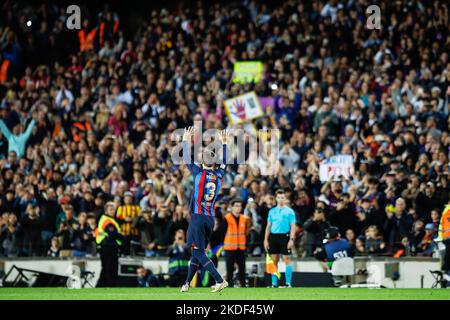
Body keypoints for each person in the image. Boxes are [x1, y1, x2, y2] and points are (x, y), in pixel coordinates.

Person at [180, 127, 229, 293]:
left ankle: (220, 280)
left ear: (202, 162)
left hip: (198, 216)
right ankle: (186, 283)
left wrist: (186, 139)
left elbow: (186, 157)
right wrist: (224, 144)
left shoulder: (198, 172)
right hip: (210, 218)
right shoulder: (219, 175)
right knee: (196, 252)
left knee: (199, 252)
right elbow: (225, 162)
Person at [264, 189, 296, 288]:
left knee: (287, 259)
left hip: (285, 237)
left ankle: (288, 283)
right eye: (279, 197)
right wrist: (266, 239)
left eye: (283, 197)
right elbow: (268, 226)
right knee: (274, 261)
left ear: (285, 198)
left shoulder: (290, 211)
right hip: (274, 237)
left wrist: (291, 239)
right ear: (276, 198)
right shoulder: (272, 211)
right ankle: (274, 283)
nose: (281, 199)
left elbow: (293, 226)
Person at [222, 198, 252, 287]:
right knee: (229, 268)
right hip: (229, 248)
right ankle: (230, 285)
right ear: (232, 207)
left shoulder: (245, 219)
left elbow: (247, 233)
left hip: (241, 248)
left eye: (240, 206)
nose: (238, 208)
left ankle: (243, 285)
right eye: (236, 206)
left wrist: (246, 245)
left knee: (242, 268)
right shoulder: (227, 218)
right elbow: (222, 233)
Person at [95, 202, 123, 287]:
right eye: (111, 209)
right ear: (106, 211)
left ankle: (100, 286)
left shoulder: (109, 219)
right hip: (108, 246)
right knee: (110, 268)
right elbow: (113, 233)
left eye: (114, 209)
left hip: (108, 246)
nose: (113, 211)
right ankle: (110, 285)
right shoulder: (107, 220)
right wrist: (123, 237)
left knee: (106, 268)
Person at [438, 203, 450, 285]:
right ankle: (445, 271)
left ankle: (444, 271)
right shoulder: (447, 211)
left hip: (445, 238)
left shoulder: (446, 211)